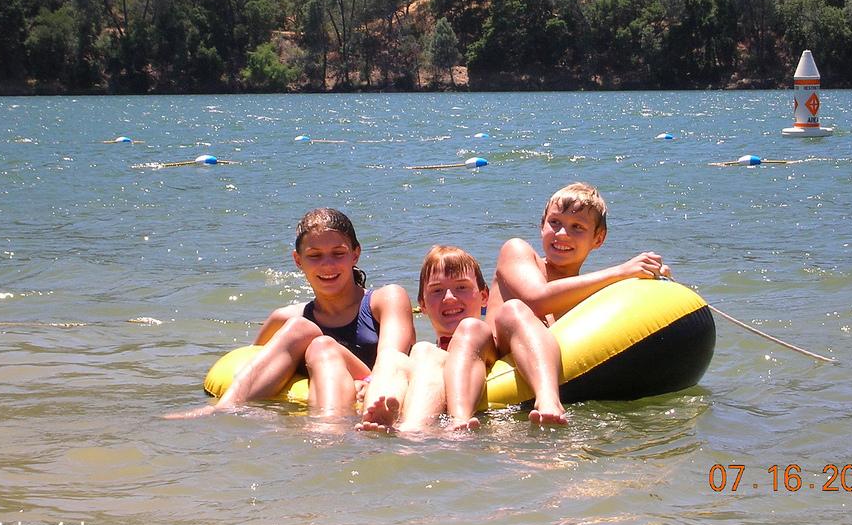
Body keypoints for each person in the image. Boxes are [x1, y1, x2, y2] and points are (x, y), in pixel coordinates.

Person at [446, 182, 672, 428]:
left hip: (538, 366)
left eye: (577, 227)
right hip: (496, 352)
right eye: (554, 222)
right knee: (501, 315)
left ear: (598, 238)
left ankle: (547, 403)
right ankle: (463, 419)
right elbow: (537, 298)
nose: (562, 233)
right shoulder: (518, 252)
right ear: (541, 226)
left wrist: (651, 280)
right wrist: (622, 271)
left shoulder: (590, 292)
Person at [169, 208, 415, 422]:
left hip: (377, 392)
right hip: (326, 395)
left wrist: (369, 384)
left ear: (355, 254)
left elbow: (392, 361)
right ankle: (225, 410)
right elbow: (252, 363)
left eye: (338, 253)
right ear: (298, 261)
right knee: (302, 330)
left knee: (318, 341)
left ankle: (327, 428)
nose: (327, 265)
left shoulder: (385, 300)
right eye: (314, 255)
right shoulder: (284, 320)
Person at [360, 244, 566, 433]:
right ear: (422, 304)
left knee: (502, 314)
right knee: (404, 353)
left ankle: (547, 400)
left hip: (484, 354)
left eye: (461, 287)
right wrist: (366, 384)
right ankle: (394, 419)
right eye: (437, 290)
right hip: (432, 374)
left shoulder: (483, 334)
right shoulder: (426, 356)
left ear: (484, 296)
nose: (449, 298)